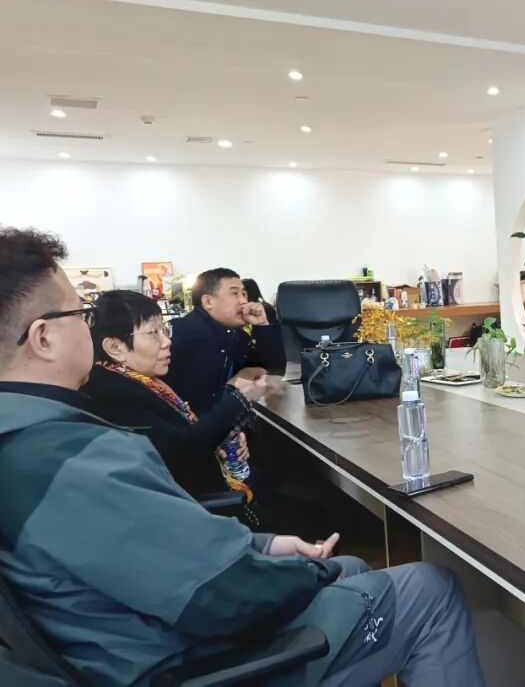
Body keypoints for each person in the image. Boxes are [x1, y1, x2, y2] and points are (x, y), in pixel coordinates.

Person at [0, 227, 484, 686]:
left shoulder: (30, 440)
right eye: (79, 312)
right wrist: (308, 571)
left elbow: (156, 547)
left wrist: (264, 546)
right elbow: (223, 594)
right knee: (429, 589)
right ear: (44, 338)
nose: (89, 323)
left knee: (353, 567)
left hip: (133, 640)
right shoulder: (74, 459)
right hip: (188, 659)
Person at [83, 290, 262, 498]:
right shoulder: (115, 395)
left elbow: (178, 433)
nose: (167, 341)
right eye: (153, 333)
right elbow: (182, 452)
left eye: (164, 329)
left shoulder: (137, 380)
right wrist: (238, 399)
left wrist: (220, 437)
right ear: (115, 347)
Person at [164, 268, 286, 414]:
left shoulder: (237, 335)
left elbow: (274, 371)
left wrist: (262, 326)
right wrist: (233, 386)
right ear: (208, 301)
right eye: (234, 294)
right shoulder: (179, 335)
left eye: (244, 294)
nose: (243, 301)